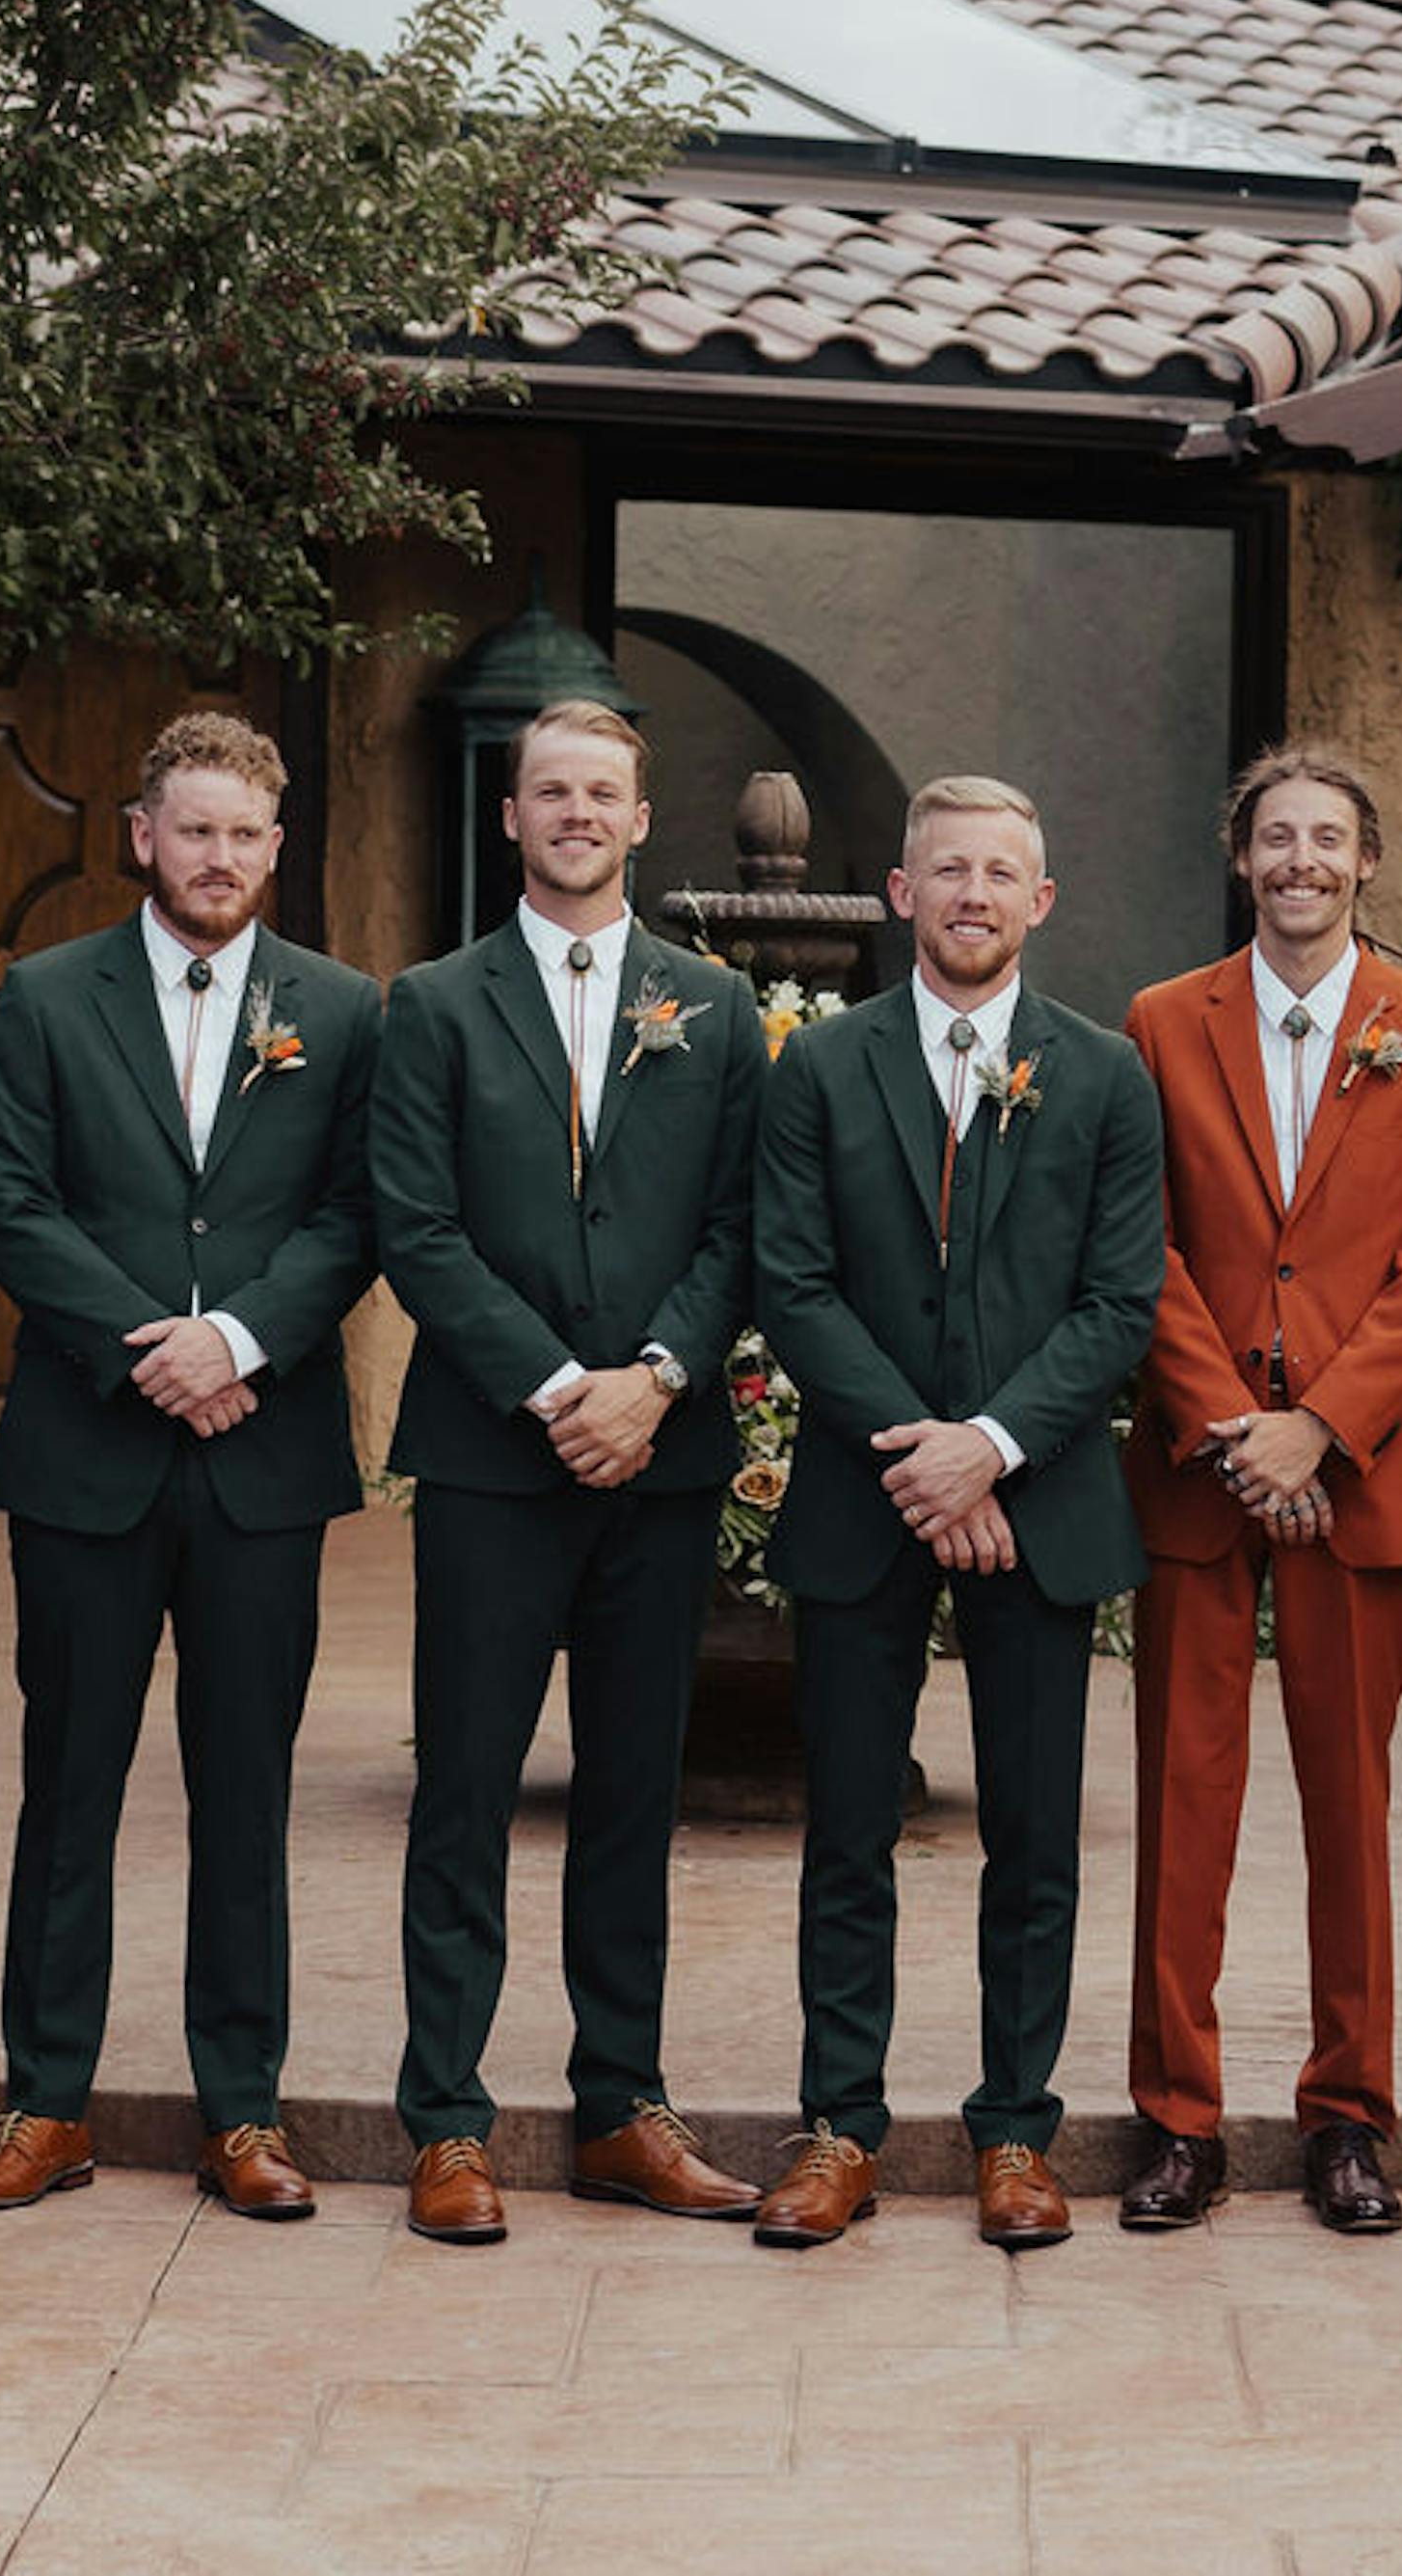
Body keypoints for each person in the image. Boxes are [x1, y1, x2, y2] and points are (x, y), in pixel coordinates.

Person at [0, 708, 379, 2218]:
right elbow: (11, 1199)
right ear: (143, 835)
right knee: (69, 1782)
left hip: (263, 1457)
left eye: (246, 833)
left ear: (276, 846)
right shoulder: (54, 995)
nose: (219, 856)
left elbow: (356, 1211)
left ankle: (242, 2110)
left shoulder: (340, 1005)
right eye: (194, 829)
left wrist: (241, 1341)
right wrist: (153, 1342)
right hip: (90, 1452)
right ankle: (44, 2102)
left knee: (246, 1786)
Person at [748, 773, 1164, 2252]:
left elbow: (1120, 1302)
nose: (974, 892)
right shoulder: (819, 1065)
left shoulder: (1106, 1074)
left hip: (1036, 1501)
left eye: (1002, 872)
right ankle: (838, 2126)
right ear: (898, 891)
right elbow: (791, 1280)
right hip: (867, 1502)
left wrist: (986, 1446)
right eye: (948, 869)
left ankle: (1014, 2131)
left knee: (1034, 1837)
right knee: (848, 1829)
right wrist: (914, 1456)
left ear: (1039, 902)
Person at [373, 698, 768, 2244]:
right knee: (464, 1788)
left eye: (604, 789)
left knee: (630, 1791)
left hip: (658, 1466)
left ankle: (621, 2103)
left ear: (640, 817)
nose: (578, 811)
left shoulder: (715, 1007)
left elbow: (742, 1226)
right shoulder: (435, 1002)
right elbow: (415, 1224)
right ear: (513, 815)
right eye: (552, 790)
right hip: (493, 1455)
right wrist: (555, 1388)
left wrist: (656, 1378)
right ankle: (448, 2119)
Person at [1117, 743, 1402, 2235]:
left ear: (1367, 859)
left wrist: (1321, 1426)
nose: (1301, 861)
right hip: (1201, 1479)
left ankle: (1348, 2114)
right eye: (1276, 837)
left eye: (1327, 838)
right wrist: (1227, 1422)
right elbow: (1133, 1243)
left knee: (1352, 1806)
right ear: (1242, 857)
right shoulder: (1160, 1022)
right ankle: (1177, 2120)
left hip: (1358, 1474)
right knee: (1181, 1808)